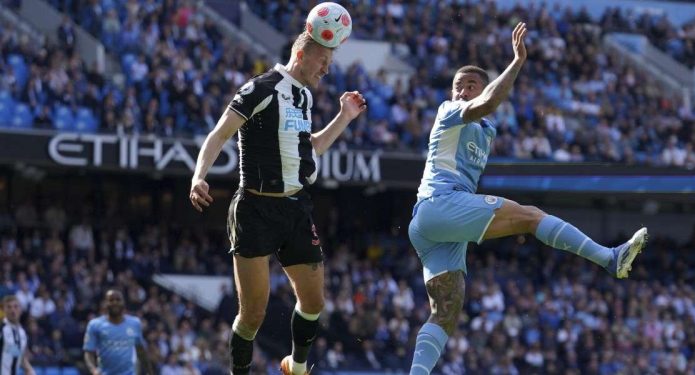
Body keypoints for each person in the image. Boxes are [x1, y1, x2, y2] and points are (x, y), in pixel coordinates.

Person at [407, 22, 647, 374]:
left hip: (433, 226)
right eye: (458, 86)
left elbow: (488, 104)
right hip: (439, 204)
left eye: (470, 85)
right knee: (532, 216)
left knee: (445, 312)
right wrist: (517, 62)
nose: (462, 91)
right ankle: (609, 258)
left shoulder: (487, 131)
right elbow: (488, 101)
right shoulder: (449, 112)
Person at [188, 31, 367, 375]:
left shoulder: (303, 97)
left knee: (314, 302)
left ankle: (296, 367)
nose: (327, 70)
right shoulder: (260, 88)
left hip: (295, 208)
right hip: (255, 210)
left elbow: (308, 149)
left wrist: (344, 116)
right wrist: (199, 176)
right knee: (253, 313)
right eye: (323, 62)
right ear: (301, 55)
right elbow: (220, 133)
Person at [83, 289, 153, 375]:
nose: (115, 302)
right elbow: (88, 352)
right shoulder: (95, 325)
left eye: (118, 300)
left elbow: (140, 351)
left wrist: (149, 372)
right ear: (105, 303)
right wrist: (93, 370)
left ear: (123, 303)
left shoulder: (135, 323)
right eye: (111, 300)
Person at [0, 295, 35, 375]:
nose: (12, 310)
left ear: (20, 309)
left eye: (15, 307)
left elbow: (15, 352)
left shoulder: (22, 332)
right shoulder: (1, 329)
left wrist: (28, 368)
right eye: (9, 307)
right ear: (4, 310)